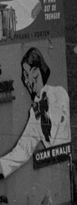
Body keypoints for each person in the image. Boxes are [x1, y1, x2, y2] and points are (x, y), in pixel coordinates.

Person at [0, 47, 72, 179]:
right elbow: (23, 149)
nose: (25, 81)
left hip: (63, 166)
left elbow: (59, 133)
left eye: (26, 74)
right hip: (57, 169)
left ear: (36, 71)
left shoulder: (59, 93)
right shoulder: (35, 111)